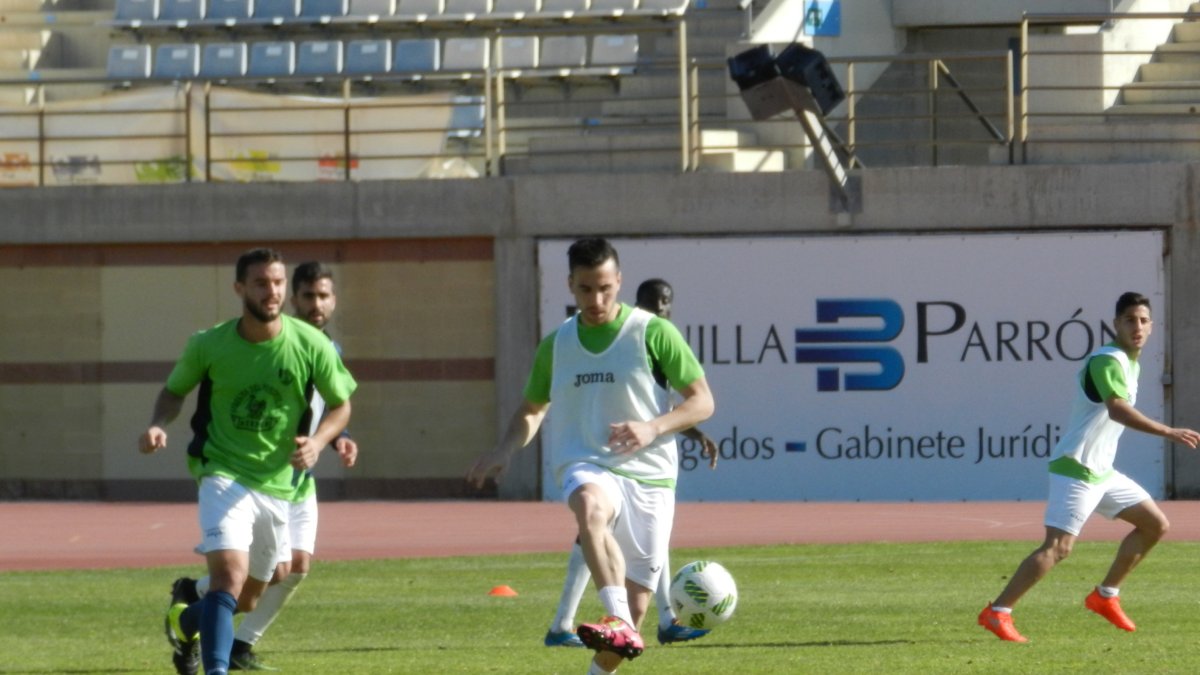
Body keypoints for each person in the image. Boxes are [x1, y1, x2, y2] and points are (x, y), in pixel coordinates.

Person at [468, 238, 715, 675]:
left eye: (604, 287)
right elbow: (531, 408)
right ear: (570, 285)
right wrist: (505, 449)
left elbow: (702, 402)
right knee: (588, 503)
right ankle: (614, 614)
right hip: (587, 463)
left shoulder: (653, 332)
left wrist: (651, 427)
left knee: (634, 625)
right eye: (585, 289)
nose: (596, 299)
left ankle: (620, 627)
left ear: (619, 281)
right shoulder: (557, 345)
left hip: (651, 478)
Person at [140, 248, 357, 675]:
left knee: (257, 590)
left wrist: (321, 442)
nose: (271, 291)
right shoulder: (209, 344)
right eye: (261, 283)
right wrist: (157, 423)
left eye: (276, 282)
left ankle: (185, 622)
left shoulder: (312, 343)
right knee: (229, 578)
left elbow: (341, 405)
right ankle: (218, 668)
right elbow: (173, 391)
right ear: (240, 288)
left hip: (280, 483)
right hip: (221, 473)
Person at [978, 292, 1200, 643]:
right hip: (1076, 467)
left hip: (1101, 471)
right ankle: (998, 612)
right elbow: (1118, 410)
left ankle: (1105, 596)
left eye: (1143, 320)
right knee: (1058, 548)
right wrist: (1168, 431)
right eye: (1129, 320)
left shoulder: (1131, 362)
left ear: (1152, 326)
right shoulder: (1107, 360)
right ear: (1116, 324)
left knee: (1154, 524)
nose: (1137, 326)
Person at [545, 277, 719, 649]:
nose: (663, 308)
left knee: (618, 538)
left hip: (648, 469)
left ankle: (644, 618)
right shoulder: (622, 338)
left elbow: (670, 408)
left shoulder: (659, 336)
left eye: (668, 301)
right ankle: (572, 621)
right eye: (656, 302)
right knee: (591, 516)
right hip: (605, 461)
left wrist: (693, 433)